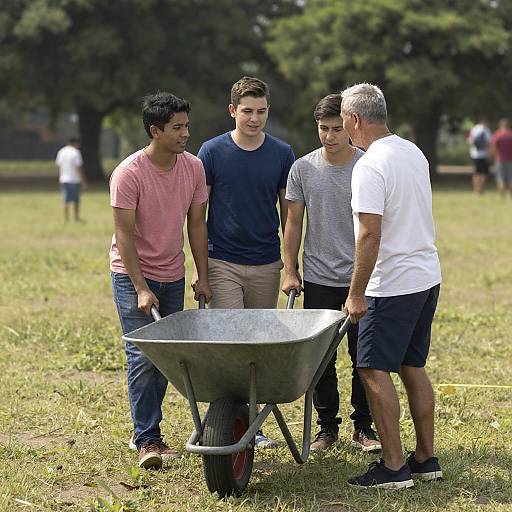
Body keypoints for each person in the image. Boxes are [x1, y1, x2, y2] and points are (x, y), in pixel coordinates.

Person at [341, 83, 442, 489]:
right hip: (426, 277)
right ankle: (425, 458)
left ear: (354, 120)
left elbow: (369, 234)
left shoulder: (368, 165)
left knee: (372, 368)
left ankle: (394, 467)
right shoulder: (412, 151)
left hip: (392, 284)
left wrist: (355, 293)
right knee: (412, 365)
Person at [110, 92, 212, 469]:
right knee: (142, 356)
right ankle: (147, 440)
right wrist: (139, 287)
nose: (186, 133)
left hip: (173, 273)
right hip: (132, 273)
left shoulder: (194, 167)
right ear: (156, 131)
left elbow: (197, 224)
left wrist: (202, 275)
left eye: (186, 125)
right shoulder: (129, 173)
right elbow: (124, 235)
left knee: (168, 357)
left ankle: (149, 433)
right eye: (177, 127)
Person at [197, 76, 294, 448]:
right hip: (223, 261)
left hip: (267, 264)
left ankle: (252, 424)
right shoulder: (212, 151)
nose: (255, 119)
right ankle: (226, 421)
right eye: (248, 111)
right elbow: (198, 215)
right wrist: (202, 269)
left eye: (262, 111)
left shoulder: (282, 153)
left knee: (256, 346)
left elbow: (289, 216)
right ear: (233, 111)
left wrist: (290, 266)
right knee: (230, 344)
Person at [281, 94, 380, 453]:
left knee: (363, 358)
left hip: (362, 277)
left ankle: (364, 427)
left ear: (350, 126)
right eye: (324, 129)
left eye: (337, 129)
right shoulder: (302, 168)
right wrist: (290, 271)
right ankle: (326, 427)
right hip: (319, 277)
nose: (330, 136)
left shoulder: (368, 166)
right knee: (321, 359)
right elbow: (293, 222)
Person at [55, 137, 86, 221]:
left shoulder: (61, 152)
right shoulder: (76, 152)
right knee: (76, 200)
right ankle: (76, 217)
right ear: (75, 143)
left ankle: (66, 218)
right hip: (74, 179)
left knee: (65, 200)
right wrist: (83, 180)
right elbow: (78, 167)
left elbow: (59, 166)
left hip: (63, 179)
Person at [467, 119, 492, 195]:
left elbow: (469, 141)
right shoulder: (486, 130)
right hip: (483, 154)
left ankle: (475, 190)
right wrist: (490, 154)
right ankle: (481, 190)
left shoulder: (474, 129)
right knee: (483, 173)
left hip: (474, 154)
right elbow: (489, 143)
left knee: (476, 173)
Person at [490, 118, 512, 198]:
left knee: (500, 178)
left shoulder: (497, 134)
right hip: (510, 160)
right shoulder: (510, 134)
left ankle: (501, 195)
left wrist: (492, 157)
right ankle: (510, 195)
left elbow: (493, 147)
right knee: (510, 178)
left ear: (500, 126)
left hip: (499, 159)